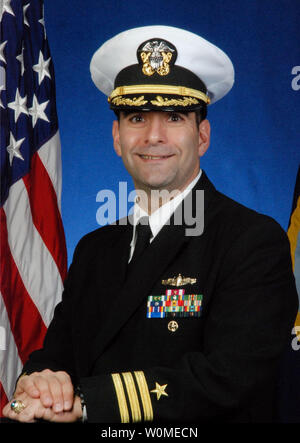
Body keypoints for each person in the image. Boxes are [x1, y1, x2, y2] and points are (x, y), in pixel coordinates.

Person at [3, 25, 298, 423]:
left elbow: (231, 380)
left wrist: (86, 402)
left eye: (174, 117)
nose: (153, 136)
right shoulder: (95, 248)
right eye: (137, 117)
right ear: (117, 136)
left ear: (203, 136)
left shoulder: (251, 241)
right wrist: (41, 384)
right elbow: (59, 354)